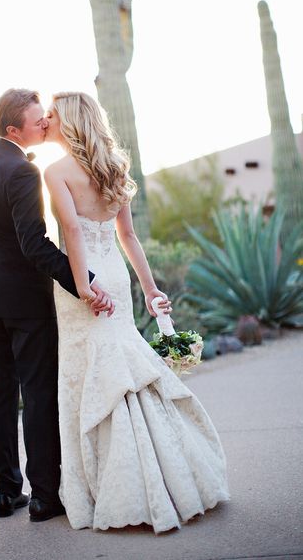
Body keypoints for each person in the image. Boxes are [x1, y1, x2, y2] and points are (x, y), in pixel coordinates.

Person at [0, 89, 157, 523]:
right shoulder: (25, 171)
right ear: (14, 129)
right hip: (25, 302)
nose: (44, 125)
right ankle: (45, 495)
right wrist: (83, 280)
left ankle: (5, 491)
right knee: (36, 393)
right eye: (37, 120)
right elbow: (36, 245)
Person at [43, 91, 231, 533]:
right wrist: (150, 290)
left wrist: (83, 286)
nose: (46, 120)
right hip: (115, 276)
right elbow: (128, 236)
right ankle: (172, 474)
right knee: (125, 367)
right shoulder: (114, 167)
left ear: (68, 121)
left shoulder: (54, 172)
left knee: (91, 371)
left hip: (83, 277)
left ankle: (114, 484)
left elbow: (71, 229)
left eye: (52, 114)